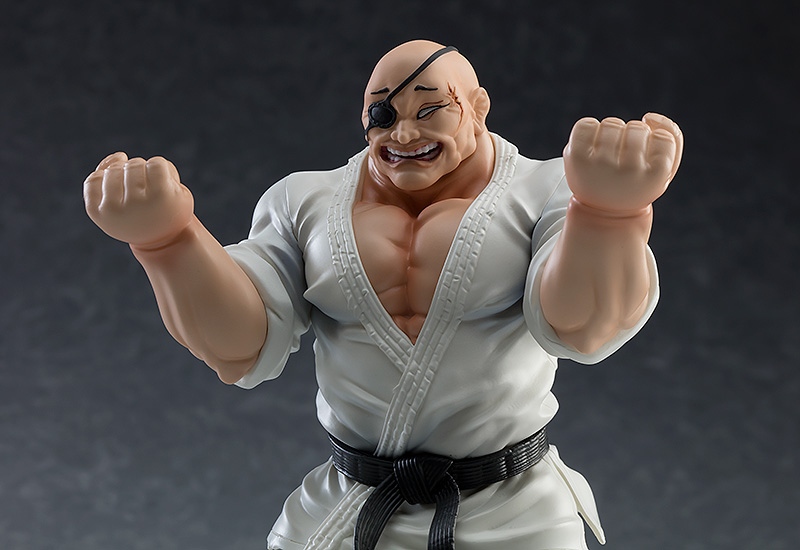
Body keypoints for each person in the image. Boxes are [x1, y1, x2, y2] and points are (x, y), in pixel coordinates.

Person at [83, 40, 682, 550]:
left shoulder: (549, 189)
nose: (404, 133)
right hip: (354, 506)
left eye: (430, 109)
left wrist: (607, 215)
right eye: (383, 114)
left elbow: (582, 328)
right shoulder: (303, 202)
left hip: (514, 511)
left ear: (478, 108)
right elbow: (242, 345)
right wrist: (169, 242)